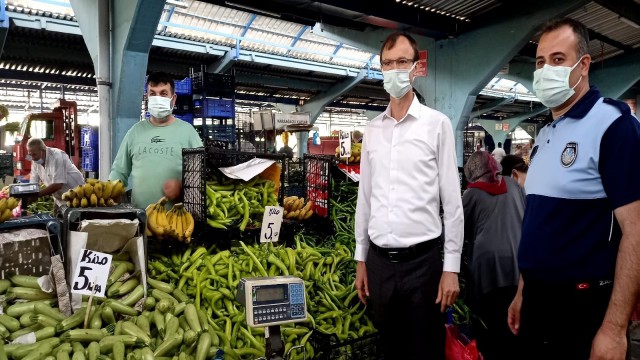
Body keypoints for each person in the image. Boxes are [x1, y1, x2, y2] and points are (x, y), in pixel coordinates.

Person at [508, 18, 640, 360]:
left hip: (582, 306)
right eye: (540, 62)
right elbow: (539, 225)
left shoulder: (614, 125)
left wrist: (613, 329)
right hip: (539, 301)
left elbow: (637, 233)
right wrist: (524, 290)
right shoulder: (547, 134)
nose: (545, 70)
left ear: (583, 66)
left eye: (557, 59)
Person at [354, 31, 463, 360]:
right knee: (389, 348)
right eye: (388, 63)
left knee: (424, 348)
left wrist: (452, 268)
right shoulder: (372, 130)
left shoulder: (437, 124)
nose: (394, 69)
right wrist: (361, 258)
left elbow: (452, 203)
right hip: (379, 264)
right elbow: (365, 199)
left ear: (416, 68)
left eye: (402, 62)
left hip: (423, 265)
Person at [462, 151, 525, 360]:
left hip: (487, 271)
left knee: (491, 325)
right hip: (517, 269)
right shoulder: (514, 185)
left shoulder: (471, 194)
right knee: (514, 323)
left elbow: (460, 232)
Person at [109, 72, 203, 210]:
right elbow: (119, 171)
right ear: (147, 97)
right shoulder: (135, 131)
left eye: (163, 93)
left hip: (177, 222)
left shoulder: (188, 132)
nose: (157, 98)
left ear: (173, 99)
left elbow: (201, 175)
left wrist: (183, 187)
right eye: (153, 93)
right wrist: (109, 194)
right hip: (141, 219)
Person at [26, 137, 84, 208]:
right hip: (60, 199)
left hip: (77, 196)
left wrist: (37, 195)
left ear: (43, 151)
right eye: (30, 155)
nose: (32, 158)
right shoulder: (35, 161)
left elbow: (58, 184)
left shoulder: (57, 156)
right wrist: (26, 195)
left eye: (34, 154)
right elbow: (33, 183)